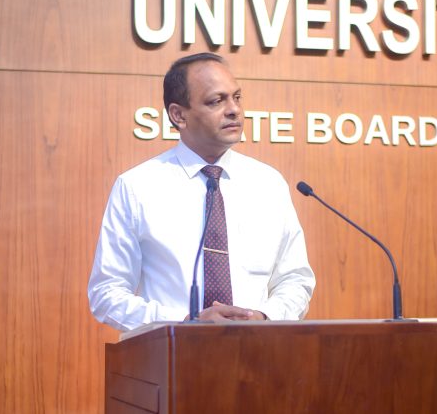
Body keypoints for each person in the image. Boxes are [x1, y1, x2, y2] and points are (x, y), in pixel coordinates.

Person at [88, 52, 315, 331]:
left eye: (237, 97)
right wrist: (185, 323)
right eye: (216, 101)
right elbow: (106, 293)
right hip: (173, 353)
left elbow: (295, 279)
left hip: (258, 351)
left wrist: (263, 317)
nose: (234, 110)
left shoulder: (268, 184)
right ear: (179, 115)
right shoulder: (137, 186)